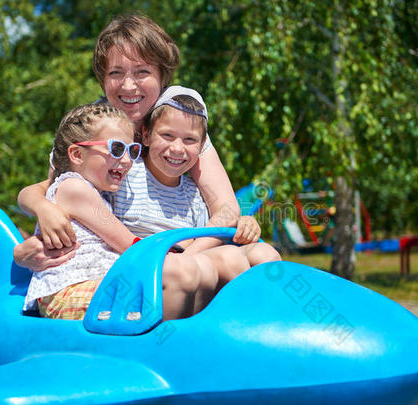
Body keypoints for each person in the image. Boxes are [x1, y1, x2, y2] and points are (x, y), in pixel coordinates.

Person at [14, 13, 247, 270]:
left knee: (260, 255)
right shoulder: (93, 126)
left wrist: (185, 256)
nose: (128, 85)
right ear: (103, 79)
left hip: (173, 252)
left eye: (142, 72)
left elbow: (227, 209)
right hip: (119, 259)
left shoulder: (177, 125)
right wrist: (42, 208)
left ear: (162, 76)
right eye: (116, 72)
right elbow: (50, 188)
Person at [112, 86, 281, 297]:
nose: (177, 148)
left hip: (187, 261)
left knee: (266, 254)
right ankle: (215, 322)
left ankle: (256, 320)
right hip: (144, 267)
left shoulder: (194, 195)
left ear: (202, 146)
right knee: (230, 260)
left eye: (189, 140)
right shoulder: (126, 174)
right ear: (146, 135)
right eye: (167, 135)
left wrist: (244, 226)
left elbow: (212, 234)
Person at [23, 103, 141, 319]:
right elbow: (128, 244)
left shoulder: (96, 192)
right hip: (68, 292)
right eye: (116, 149)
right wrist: (172, 255)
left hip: (90, 285)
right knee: (145, 303)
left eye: (133, 151)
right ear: (77, 154)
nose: (126, 160)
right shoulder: (73, 188)